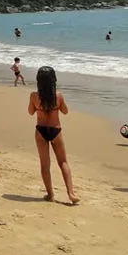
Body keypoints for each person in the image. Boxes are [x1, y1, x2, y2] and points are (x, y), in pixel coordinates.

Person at [28, 66, 78, 204]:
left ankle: (50, 194)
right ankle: (71, 193)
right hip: (56, 130)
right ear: (53, 79)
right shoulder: (58, 96)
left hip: (41, 130)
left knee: (45, 165)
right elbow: (66, 111)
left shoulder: (34, 96)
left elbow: (31, 112)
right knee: (63, 162)